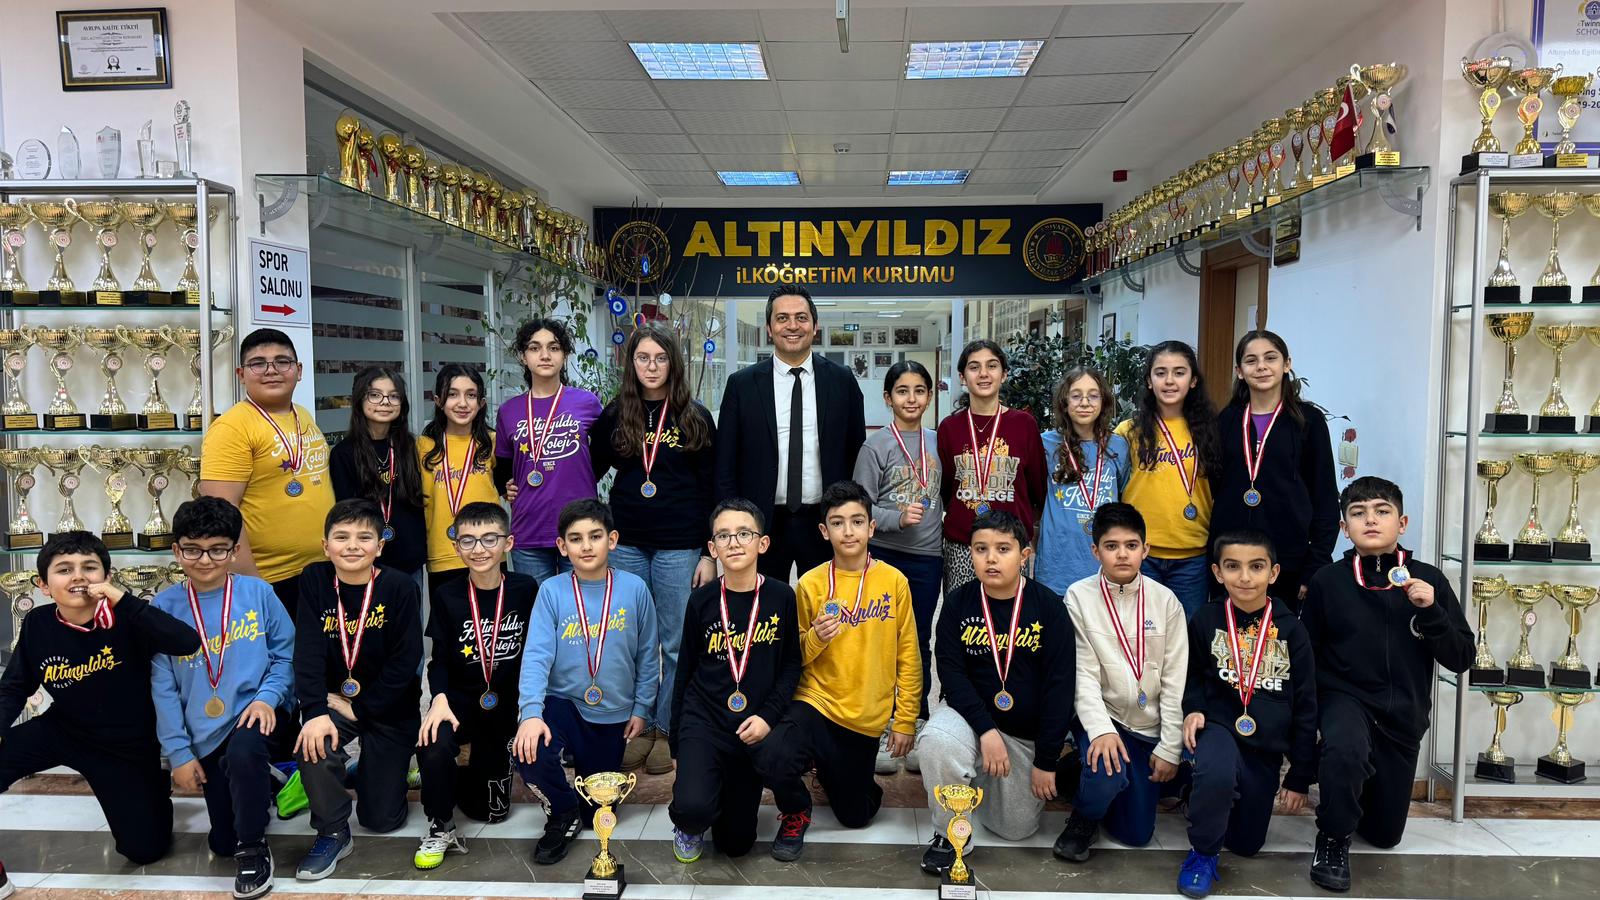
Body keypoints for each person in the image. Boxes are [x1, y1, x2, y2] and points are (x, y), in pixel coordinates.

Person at [1301, 477, 1473, 893]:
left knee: (1384, 836)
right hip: (1346, 701)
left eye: (1382, 511)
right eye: (1358, 513)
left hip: (1402, 717)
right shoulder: (1328, 580)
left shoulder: (1429, 580)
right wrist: (1316, 720)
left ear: (1402, 522)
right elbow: (1307, 657)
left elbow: (1461, 658)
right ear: (1344, 528)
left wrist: (1432, 612)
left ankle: (1354, 784)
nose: (1371, 520)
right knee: (1345, 749)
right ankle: (1332, 838)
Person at [0, 532, 201, 868]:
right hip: (62, 730)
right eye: (64, 569)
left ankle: (154, 790)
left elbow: (186, 642)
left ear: (107, 577)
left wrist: (122, 599)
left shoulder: (129, 618)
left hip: (125, 746)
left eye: (89, 567)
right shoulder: (38, 622)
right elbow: (14, 687)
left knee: (144, 850)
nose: (78, 576)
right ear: (43, 585)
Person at [757, 480, 921, 861]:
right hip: (816, 704)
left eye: (857, 521)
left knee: (855, 816)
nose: (848, 531)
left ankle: (833, 771)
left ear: (871, 527)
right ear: (823, 531)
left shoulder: (894, 582)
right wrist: (816, 637)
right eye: (837, 523)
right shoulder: (810, 584)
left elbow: (909, 656)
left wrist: (905, 719)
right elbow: (793, 657)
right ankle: (797, 811)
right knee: (771, 756)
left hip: (864, 718)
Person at [915, 509, 1074, 876]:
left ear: (1025, 555)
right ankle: (950, 835)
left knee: (1016, 829)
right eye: (981, 549)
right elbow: (952, 676)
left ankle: (978, 784)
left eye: (1003, 549)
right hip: (972, 723)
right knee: (937, 739)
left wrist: (1047, 760)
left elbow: (1059, 688)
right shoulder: (958, 603)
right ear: (970, 553)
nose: (991, 558)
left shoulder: (1049, 607)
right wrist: (986, 731)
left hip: (1023, 736)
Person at [151, 497, 295, 899]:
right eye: (192, 549)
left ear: (234, 551)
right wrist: (179, 753)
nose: (205, 560)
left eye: (217, 549)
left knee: (244, 753)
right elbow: (162, 686)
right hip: (205, 728)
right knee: (222, 840)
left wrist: (268, 698)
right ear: (176, 550)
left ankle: (254, 850)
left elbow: (286, 656)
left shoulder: (258, 593)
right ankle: (265, 782)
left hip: (258, 711)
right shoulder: (163, 607)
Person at [592, 324, 718, 777]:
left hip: (679, 546)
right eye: (643, 358)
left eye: (660, 358)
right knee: (630, 640)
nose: (651, 366)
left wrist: (709, 554)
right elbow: (586, 471)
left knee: (676, 643)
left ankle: (668, 728)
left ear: (673, 364)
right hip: (626, 543)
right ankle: (639, 726)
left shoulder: (694, 416)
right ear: (631, 363)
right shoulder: (615, 415)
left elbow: (712, 488)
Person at [513, 498, 658, 866]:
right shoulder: (552, 591)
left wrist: (641, 708)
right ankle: (562, 812)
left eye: (595, 536)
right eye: (575, 539)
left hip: (613, 711)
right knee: (529, 750)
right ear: (562, 546)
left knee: (598, 809)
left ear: (613, 540)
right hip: (562, 703)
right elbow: (536, 655)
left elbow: (647, 654)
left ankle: (581, 806)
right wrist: (530, 713)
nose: (586, 546)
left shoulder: (635, 588)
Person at [1176, 530, 1316, 899]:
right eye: (1233, 567)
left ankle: (1201, 793)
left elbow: (1306, 704)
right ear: (1217, 572)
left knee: (1246, 844)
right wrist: (1194, 709)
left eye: (1256, 567)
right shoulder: (1206, 618)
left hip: (1266, 743)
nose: (1244, 577)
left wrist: (1300, 775)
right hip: (1219, 725)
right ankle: (1202, 854)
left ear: (1273, 572)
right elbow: (1191, 675)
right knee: (1216, 774)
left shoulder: (1292, 629)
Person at [291, 499, 423, 880]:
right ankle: (333, 830)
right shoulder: (314, 580)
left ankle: (369, 770)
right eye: (341, 537)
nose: (352, 546)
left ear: (379, 546)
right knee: (313, 743)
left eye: (364, 537)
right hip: (335, 701)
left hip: (389, 706)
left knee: (381, 819)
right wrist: (314, 711)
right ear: (325, 545)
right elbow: (307, 650)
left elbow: (406, 661)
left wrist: (362, 707)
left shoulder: (399, 587)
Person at [667, 498, 802, 863]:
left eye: (744, 533)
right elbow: (685, 671)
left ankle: (715, 794)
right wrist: (677, 745)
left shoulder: (781, 597)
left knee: (737, 843)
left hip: (752, 726)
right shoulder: (701, 601)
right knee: (693, 810)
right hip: (705, 720)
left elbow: (792, 664)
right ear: (712, 548)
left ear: (763, 543)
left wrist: (768, 718)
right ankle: (690, 815)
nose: (734, 542)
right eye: (723, 536)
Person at [1058, 502, 1187, 860]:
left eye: (1131, 545)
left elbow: (1175, 680)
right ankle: (1084, 816)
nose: (1122, 554)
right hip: (1107, 716)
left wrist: (1170, 746)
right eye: (1111, 546)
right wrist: (1100, 730)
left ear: (1146, 549)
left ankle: (1089, 775)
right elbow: (1083, 675)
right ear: (1095, 551)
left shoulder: (1166, 602)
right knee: (1105, 773)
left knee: (1136, 835)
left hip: (1148, 725)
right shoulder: (1078, 597)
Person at [415, 501, 537, 869]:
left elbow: (538, 652)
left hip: (508, 704)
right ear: (456, 547)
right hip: (460, 700)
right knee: (433, 741)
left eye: (489, 539)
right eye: (468, 540)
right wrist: (438, 699)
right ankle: (440, 823)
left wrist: (531, 706)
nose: (479, 549)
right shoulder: (447, 595)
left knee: (492, 813)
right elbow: (439, 659)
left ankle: (457, 775)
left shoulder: (526, 588)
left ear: (508, 543)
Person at [715, 284, 867, 580]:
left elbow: (856, 452)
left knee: (828, 602)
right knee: (764, 603)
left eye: (801, 317)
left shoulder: (842, 380)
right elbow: (725, 462)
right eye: (782, 318)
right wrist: (730, 521)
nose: (792, 326)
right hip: (760, 521)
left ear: (815, 326)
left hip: (826, 519)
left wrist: (852, 515)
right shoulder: (742, 385)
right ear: (769, 328)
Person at [200, 328, 335, 618]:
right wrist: (254, 586)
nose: (271, 370)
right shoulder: (232, 428)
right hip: (272, 579)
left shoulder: (302, 415)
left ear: (299, 371)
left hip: (321, 569)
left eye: (282, 362)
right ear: (241, 374)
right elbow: (221, 514)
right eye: (258, 363)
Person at [852, 360, 943, 772]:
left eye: (919, 390)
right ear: (888, 398)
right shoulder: (876, 446)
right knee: (881, 638)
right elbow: (860, 507)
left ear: (929, 396)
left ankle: (916, 720)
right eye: (903, 391)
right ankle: (881, 724)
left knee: (919, 639)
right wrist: (894, 517)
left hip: (927, 557)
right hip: (885, 554)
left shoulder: (938, 441)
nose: (912, 398)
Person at [1209, 331, 1338, 611]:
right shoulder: (1226, 421)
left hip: (1286, 561)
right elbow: (1214, 489)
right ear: (1239, 371)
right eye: (1251, 360)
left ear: (1286, 364)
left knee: (1279, 635)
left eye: (1270, 358)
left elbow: (1325, 498)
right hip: (1231, 558)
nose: (1261, 367)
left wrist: (1316, 563)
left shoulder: (1308, 421)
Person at [1114, 340, 1220, 618]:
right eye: (1160, 373)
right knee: (1138, 632)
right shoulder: (1127, 432)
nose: (1169, 381)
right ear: (1149, 381)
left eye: (1179, 372)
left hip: (1192, 557)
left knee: (1186, 635)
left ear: (1193, 380)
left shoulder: (1211, 429)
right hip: (1140, 553)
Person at [494, 317, 602, 585]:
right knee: (535, 607)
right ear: (523, 356)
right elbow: (503, 466)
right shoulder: (509, 411)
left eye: (553, 348)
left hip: (580, 529)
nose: (545, 355)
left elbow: (603, 456)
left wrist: (580, 479)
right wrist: (506, 487)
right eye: (535, 348)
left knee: (581, 606)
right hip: (529, 530)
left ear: (564, 355)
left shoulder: (587, 403)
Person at [937, 340, 1047, 593]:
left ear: (1004, 374)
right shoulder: (950, 427)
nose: (984, 374)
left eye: (992, 366)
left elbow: (1037, 487)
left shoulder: (1024, 424)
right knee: (963, 613)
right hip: (963, 544)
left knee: (1009, 613)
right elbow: (945, 488)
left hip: (1010, 544)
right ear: (962, 377)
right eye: (974, 367)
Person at [329, 366, 426, 589]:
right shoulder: (344, 453)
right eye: (375, 395)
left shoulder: (410, 447)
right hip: (367, 561)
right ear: (359, 400)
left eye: (394, 396)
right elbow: (347, 512)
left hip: (409, 559)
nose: (385, 402)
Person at [1037, 368, 1132, 595]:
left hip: (1103, 565)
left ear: (1104, 401)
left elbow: (1124, 495)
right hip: (1056, 568)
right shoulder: (1045, 444)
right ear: (1064, 402)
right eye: (1076, 395)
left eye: (1093, 395)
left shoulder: (1118, 446)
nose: (1085, 403)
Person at [419, 365, 500, 597]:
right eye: (452, 394)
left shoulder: (493, 443)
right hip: (443, 552)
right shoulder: (424, 446)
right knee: (448, 619)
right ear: (438, 400)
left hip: (489, 549)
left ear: (481, 403)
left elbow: (508, 485)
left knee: (491, 617)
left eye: (471, 395)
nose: (462, 403)